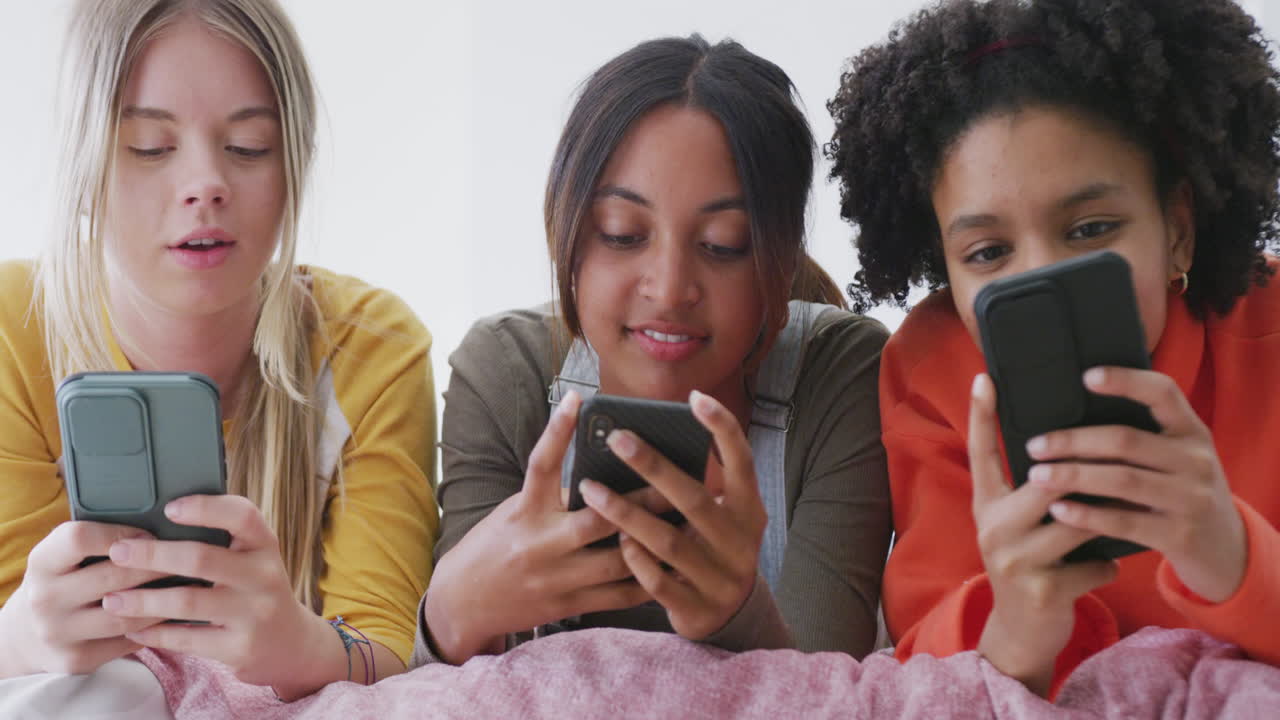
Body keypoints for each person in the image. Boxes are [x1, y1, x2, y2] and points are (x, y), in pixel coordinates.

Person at [826, 0, 1280, 698]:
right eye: (988, 251)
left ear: (1178, 230)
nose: (1039, 277)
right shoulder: (931, 372)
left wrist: (1234, 555)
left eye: (1091, 228)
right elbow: (925, 678)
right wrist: (1017, 622)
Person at [0, 0, 436, 703]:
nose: (206, 184)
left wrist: (300, 645)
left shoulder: (372, 348)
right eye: (150, 146)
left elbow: (392, 655)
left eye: (249, 147)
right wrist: (19, 640)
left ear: (294, 167)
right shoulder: (10, 329)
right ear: (85, 171)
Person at [413, 35, 892, 666]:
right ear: (569, 236)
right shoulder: (506, 372)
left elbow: (836, 693)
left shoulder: (840, 374)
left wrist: (739, 613)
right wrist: (449, 614)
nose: (668, 289)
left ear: (778, 268)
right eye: (623, 234)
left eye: (724, 244)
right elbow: (439, 697)